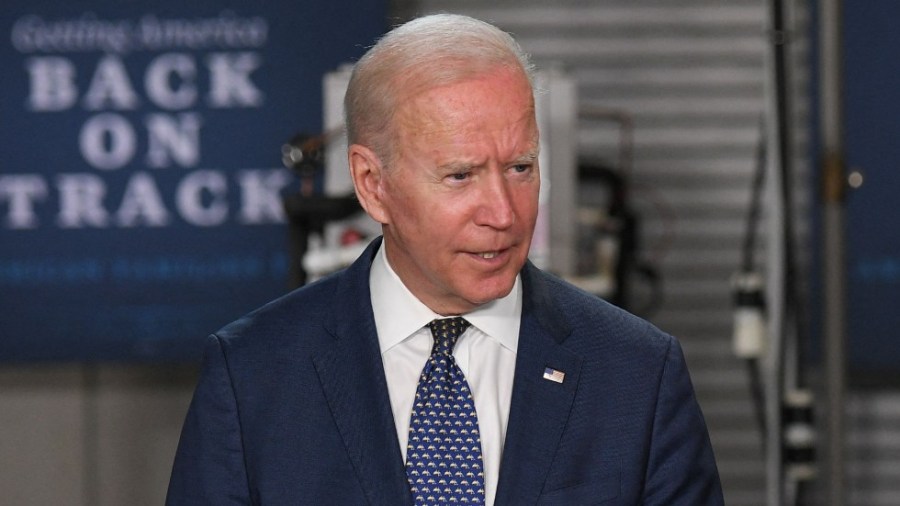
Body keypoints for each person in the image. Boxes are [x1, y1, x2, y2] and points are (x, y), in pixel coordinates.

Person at [166, 13, 723, 505]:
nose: (503, 213)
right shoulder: (252, 377)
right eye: (460, 176)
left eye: (520, 168)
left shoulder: (638, 374)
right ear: (370, 183)